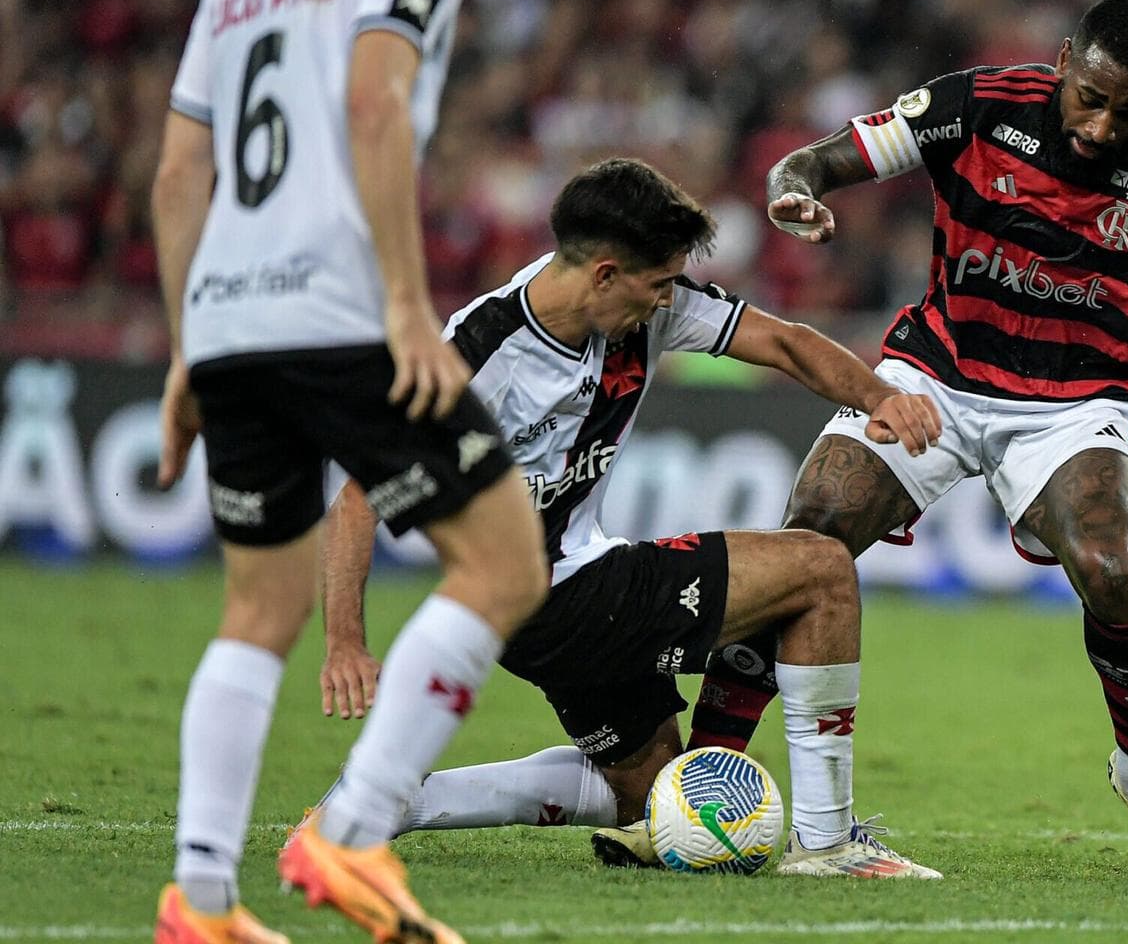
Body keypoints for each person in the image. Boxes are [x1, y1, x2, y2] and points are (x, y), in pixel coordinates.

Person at [676, 0, 1128, 883]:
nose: (1104, 127)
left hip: (1076, 400)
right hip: (937, 372)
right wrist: (792, 190)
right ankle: (699, 781)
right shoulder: (977, 104)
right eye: (1091, 97)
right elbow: (823, 158)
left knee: (1111, 568)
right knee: (813, 528)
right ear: (1065, 60)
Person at [151, 0, 548, 941]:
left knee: (255, 612)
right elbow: (375, 102)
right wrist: (406, 303)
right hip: (337, 305)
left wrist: (186, 350)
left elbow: (179, 172)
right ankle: (355, 828)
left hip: (227, 312)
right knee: (503, 564)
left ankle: (203, 899)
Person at [313, 158, 943, 879]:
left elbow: (785, 342)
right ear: (605, 274)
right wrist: (344, 643)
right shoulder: (481, 354)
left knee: (648, 799)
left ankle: (389, 799)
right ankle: (830, 844)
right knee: (821, 569)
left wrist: (879, 397)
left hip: (557, 601)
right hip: (551, 593)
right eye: (658, 283)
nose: (668, 299)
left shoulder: (650, 305)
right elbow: (360, 496)